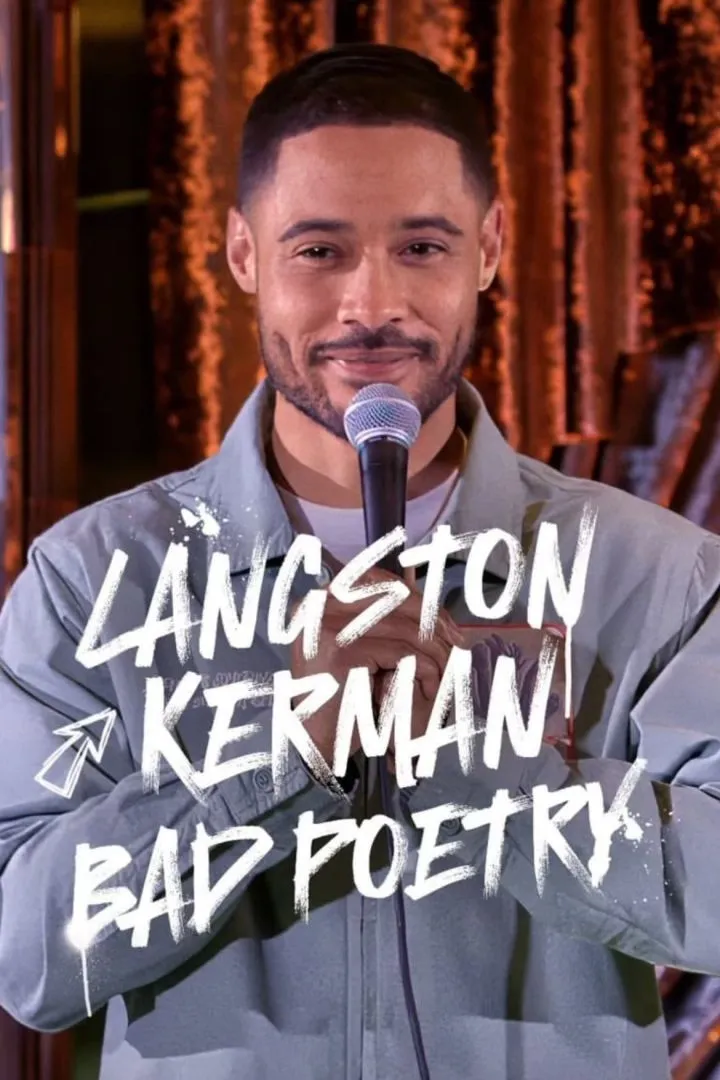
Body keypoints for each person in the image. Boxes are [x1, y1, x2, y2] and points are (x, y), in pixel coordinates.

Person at [0, 42, 718, 1080]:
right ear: (243, 254)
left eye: (421, 246)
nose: (372, 304)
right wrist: (278, 756)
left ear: (490, 247)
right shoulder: (93, 580)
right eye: (319, 250)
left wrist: (492, 769)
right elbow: (28, 957)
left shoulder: (653, 576)